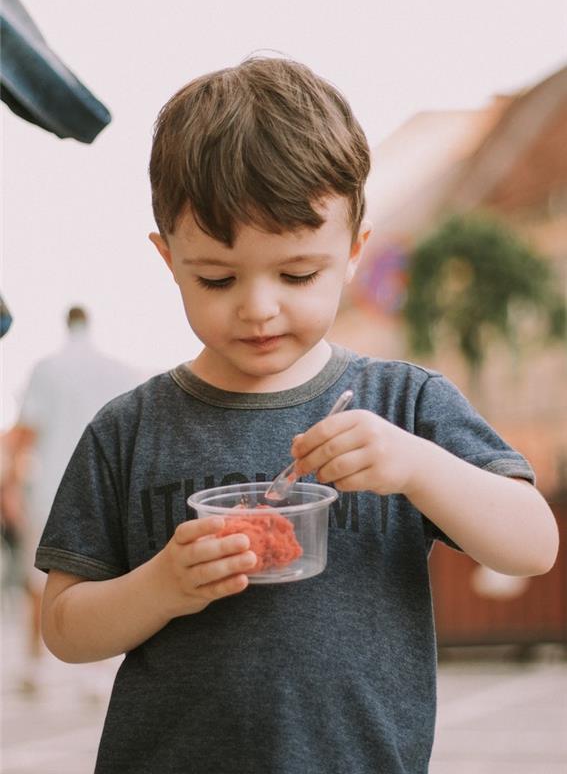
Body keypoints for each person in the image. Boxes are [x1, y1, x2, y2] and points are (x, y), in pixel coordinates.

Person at [36, 57, 558, 773]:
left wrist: (416, 465)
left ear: (353, 253)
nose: (258, 307)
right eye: (216, 278)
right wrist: (159, 586)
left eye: (297, 273)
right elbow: (64, 627)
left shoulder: (402, 406)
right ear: (167, 259)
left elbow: (530, 545)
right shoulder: (128, 429)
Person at [11, 306, 142, 693]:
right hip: (108, 486)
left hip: (52, 485)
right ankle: (96, 673)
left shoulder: (47, 368)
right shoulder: (118, 370)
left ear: (65, 324)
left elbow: (27, 434)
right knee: (102, 576)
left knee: (39, 581)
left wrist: (11, 487)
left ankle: (35, 668)